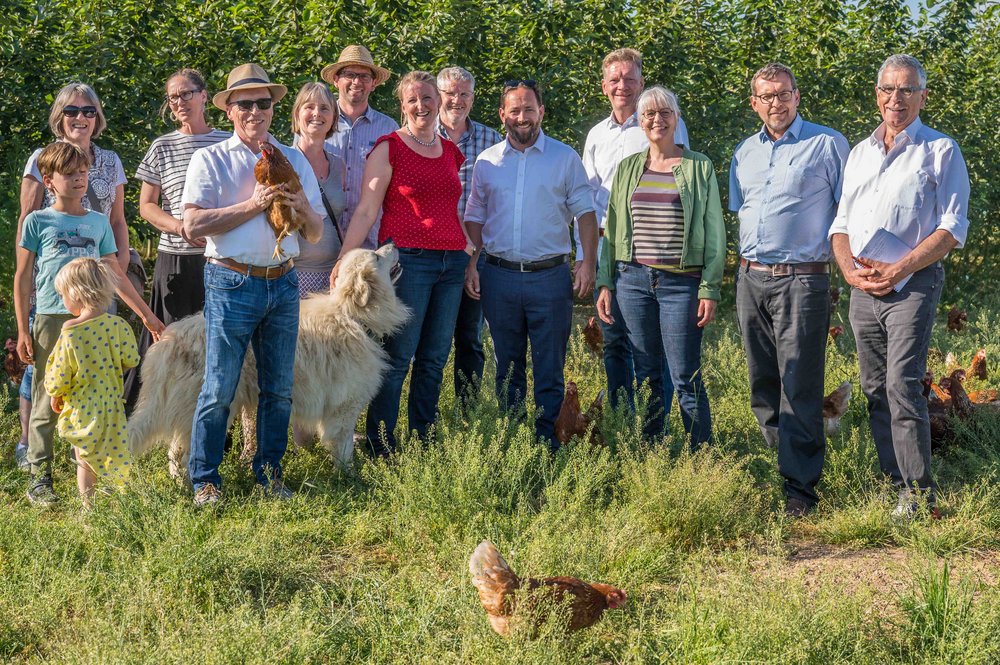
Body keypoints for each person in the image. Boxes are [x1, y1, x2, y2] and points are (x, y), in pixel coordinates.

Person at [829, 54, 970, 518]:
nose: (896, 98)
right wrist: (849, 269)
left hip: (912, 284)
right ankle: (893, 483)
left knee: (901, 384)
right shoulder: (859, 152)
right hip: (862, 285)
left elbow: (951, 229)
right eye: (888, 89)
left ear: (923, 96)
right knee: (873, 387)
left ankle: (919, 492)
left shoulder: (940, 150)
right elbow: (842, 221)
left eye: (907, 90)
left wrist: (901, 267)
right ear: (877, 95)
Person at [182, 63, 324, 506]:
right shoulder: (211, 158)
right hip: (231, 280)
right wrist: (252, 205)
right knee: (219, 386)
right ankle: (205, 478)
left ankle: (270, 473)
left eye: (263, 103)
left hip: (283, 281)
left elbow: (316, 234)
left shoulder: (293, 158)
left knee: (278, 388)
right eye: (245, 104)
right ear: (229, 110)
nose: (255, 111)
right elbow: (192, 225)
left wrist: (302, 207)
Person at [729, 63, 849, 517]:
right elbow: (742, 209)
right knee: (762, 380)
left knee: (799, 380)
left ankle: (801, 491)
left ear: (797, 96)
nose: (775, 103)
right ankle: (779, 464)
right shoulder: (744, 153)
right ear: (754, 103)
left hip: (803, 277)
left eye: (783, 94)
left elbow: (847, 210)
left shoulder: (827, 143)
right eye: (766, 96)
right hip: (750, 276)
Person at [14, 142, 163, 505]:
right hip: (51, 318)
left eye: (83, 172)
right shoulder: (37, 221)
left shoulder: (97, 223)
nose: (80, 179)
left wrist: (146, 314)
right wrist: (22, 329)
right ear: (49, 181)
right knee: (48, 397)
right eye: (70, 174)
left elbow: (115, 273)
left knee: (96, 397)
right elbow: (22, 275)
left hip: (97, 321)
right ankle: (39, 473)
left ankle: (89, 466)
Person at [331, 71, 469, 456]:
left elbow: (449, 209)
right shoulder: (389, 147)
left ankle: (423, 441)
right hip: (408, 262)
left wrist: (469, 252)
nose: (421, 106)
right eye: (413, 100)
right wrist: (345, 257)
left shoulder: (451, 151)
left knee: (434, 358)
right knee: (397, 358)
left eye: (427, 98)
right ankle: (381, 444)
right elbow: (367, 209)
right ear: (402, 106)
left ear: (438, 102)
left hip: (451, 264)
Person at [465, 80, 598, 449]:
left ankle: (548, 441)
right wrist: (472, 262)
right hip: (499, 276)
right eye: (514, 110)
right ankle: (512, 436)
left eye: (529, 109)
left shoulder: (564, 157)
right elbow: (475, 215)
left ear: (541, 112)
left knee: (549, 366)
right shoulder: (488, 161)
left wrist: (587, 261)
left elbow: (585, 212)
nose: (522, 117)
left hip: (550, 278)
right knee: (507, 365)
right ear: (502, 115)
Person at [595, 86, 725, 450]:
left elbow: (715, 231)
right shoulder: (628, 168)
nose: (657, 120)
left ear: (676, 118)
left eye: (664, 112)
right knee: (647, 372)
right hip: (632, 281)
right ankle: (654, 450)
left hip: (680, 284)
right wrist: (606, 282)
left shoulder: (698, 166)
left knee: (685, 374)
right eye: (649, 114)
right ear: (639, 121)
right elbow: (614, 227)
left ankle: (702, 455)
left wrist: (709, 287)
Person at [13, 83, 133, 469]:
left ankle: (86, 457)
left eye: (89, 111)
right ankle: (35, 459)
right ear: (59, 116)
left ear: (97, 117)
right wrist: (26, 311)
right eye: (72, 111)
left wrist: (121, 265)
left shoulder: (110, 160)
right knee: (48, 378)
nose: (81, 117)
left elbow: (117, 220)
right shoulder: (41, 159)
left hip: (98, 284)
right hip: (52, 292)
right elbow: (27, 227)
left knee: (91, 376)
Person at [582, 49, 689, 411]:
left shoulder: (660, 124)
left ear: (641, 82)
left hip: (652, 252)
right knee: (613, 339)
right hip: (608, 249)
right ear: (604, 86)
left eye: (629, 78)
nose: (622, 86)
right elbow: (587, 199)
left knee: (651, 347)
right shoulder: (597, 135)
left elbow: (683, 185)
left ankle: (652, 422)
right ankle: (621, 416)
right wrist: (586, 259)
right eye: (615, 79)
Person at [123, 68, 231, 413]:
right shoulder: (162, 146)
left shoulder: (228, 140)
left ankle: (213, 422)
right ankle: (152, 416)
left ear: (203, 96)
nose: (180, 102)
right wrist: (179, 226)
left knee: (217, 342)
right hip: (177, 258)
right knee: (172, 343)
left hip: (224, 256)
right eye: (173, 97)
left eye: (186, 94)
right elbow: (146, 206)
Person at [45, 258, 140, 507]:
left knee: (85, 459)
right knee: (112, 458)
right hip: (112, 406)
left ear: (77, 294)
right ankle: (114, 506)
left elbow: (60, 373)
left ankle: (89, 509)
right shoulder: (117, 325)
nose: (63, 300)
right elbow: (130, 358)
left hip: (82, 406)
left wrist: (56, 393)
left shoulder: (71, 330)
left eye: (63, 294)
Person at [436, 66, 502, 405]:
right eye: (450, 93)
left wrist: (475, 256)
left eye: (463, 94)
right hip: (431, 251)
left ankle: (467, 410)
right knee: (428, 341)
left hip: (476, 253)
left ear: (473, 98)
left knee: (470, 336)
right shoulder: (419, 135)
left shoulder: (493, 141)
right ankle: (423, 415)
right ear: (437, 96)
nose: (456, 100)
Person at [321, 45, 397, 249]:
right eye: (349, 74)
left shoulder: (388, 129)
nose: (357, 82)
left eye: (364, 76)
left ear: (373, 84)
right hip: (321, 241)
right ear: (336, 80)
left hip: (370, 242)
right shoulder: (316, 122)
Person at [291, 82, 347, 295]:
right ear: (297, 114)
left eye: (324, 108)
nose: (317, 113)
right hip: (294, 272)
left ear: (333, 117)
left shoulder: (338, 165)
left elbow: (338, 218)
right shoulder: (286, 161)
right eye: (309, 107)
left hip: (333, 274)